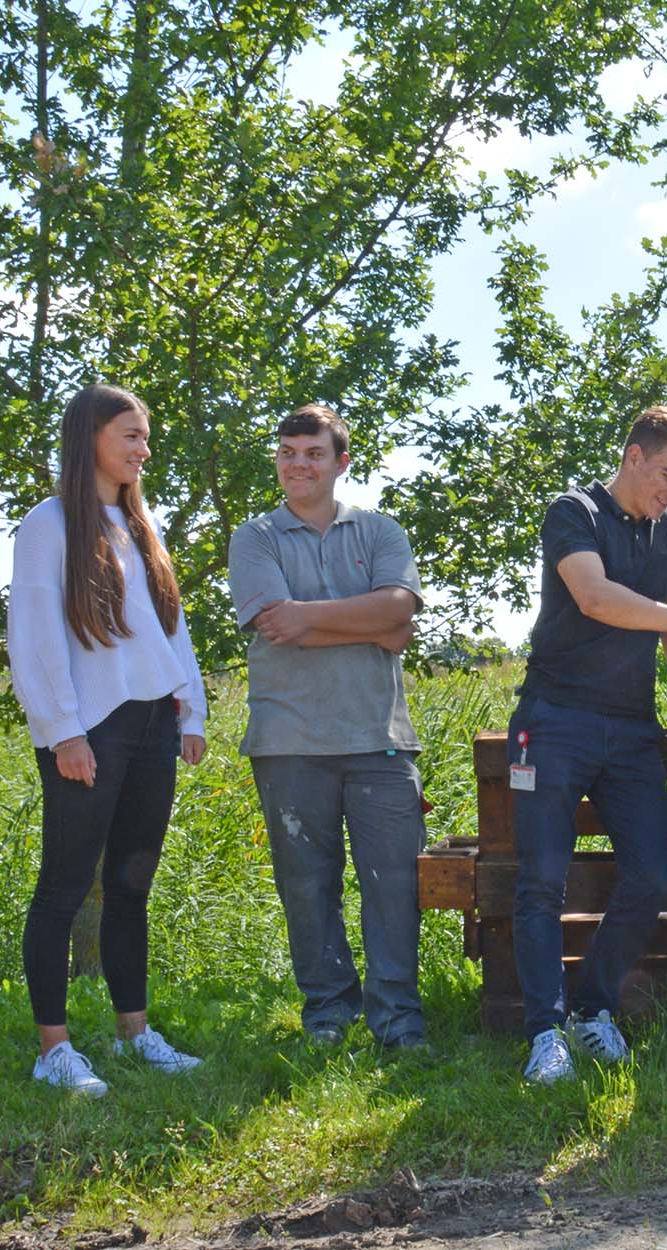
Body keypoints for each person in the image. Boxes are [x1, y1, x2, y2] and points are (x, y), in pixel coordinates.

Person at [508, 404, 667, 1084]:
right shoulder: (573, 512)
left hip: (632, 729)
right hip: (554, 718)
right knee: (543, 877)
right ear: (634, 456)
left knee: (651, 876)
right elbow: (597, 597)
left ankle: (591, 1010)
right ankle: (544, 1032)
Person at [8, 382, 209, 1096]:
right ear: (90, 435)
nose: (143, 449)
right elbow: (33, 638)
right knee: (63, 886)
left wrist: (192, 710)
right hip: (90, 728)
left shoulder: (137, 525)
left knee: (131, 886)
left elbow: (170, 628)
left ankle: (134, 1033)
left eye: (145, 436)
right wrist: (63, 731)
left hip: (154, 723)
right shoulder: (50, 524)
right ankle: (53, 1049)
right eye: (131, 434)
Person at [226, 404, 429, 1054]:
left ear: (341, 462)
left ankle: (398, 1021)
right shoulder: (254, 537)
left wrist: (316, 619)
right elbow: (274, 624)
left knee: (394, 886)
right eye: (287, 452)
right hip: (289, 742)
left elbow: (402, 610)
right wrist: (373, 624)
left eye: (312, 453)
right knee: (308, 889)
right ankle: (327, 1017)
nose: (297, 464)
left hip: (380, 739)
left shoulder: (379, 531)